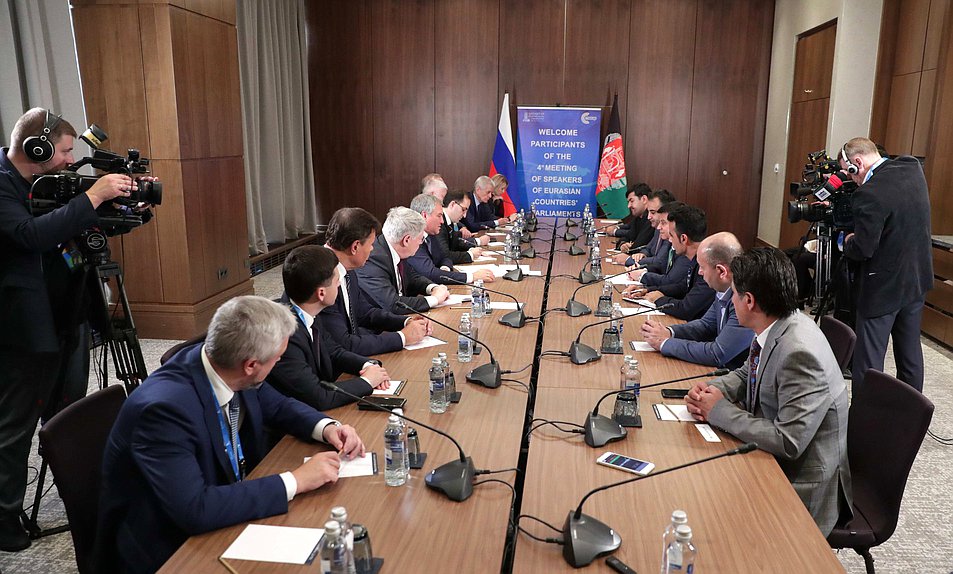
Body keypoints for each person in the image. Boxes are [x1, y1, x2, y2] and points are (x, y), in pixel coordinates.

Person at [95, 296, 366, 572]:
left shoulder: (224, 361)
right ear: (251, 365)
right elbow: (194, 509)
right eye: (278, 359)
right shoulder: (163, 411)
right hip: (168, 548)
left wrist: (329, 428)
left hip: (223, 504)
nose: (279, 363)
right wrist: (295, 481)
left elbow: (278, 405)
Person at [0, 108, 136, 551]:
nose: (67, 159)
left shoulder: (51, 183)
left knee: (68, 413)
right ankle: (4, 518)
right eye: (61, 151)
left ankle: (75, 491)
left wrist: (119, 210)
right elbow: (30, 236)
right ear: (35, 148)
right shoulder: (1, 182)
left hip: (71, 311)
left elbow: (74, 226)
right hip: (24, 328)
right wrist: (91, 198)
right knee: (16, 424)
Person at [684, 247, 852, 536]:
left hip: (800, 486)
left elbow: (789, 442)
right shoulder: (778, 323)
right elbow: (749, 372)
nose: (731, 300)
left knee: (704, 516)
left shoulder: (799, 352)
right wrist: (712, 389)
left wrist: (719, 410)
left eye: (734, 294)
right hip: (771, 459)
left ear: (749, 301)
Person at [840, 137, 933, 393]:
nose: (851, 181)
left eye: (848, 173)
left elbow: (863, 249)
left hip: (883, 287)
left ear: (856, 163)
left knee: (868, 361)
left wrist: (847, 241)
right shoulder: (911, 167)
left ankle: (864, 421)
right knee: (910, 352)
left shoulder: (869, 193)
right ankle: (910, 417)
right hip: (916, 279)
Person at [269, 246, 391, 410]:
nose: (340, 284)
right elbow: (318, 396)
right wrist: (367, 382)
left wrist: (368, 366)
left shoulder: (309, 309)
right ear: (321, 293)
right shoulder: (284, 335)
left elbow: (334, 351)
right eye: (336, 281)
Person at [322, 207, 430, 355]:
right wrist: (403, 337)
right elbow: (344, 344)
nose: (373, 249)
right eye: (371, 244)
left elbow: (365, 313)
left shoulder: (347, 270)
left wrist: (405, 322)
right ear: (355, 247)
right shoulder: (323, 278)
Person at [641, 232, 754, 369]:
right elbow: (705, 325)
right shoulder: (724, 289)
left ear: (721, 271)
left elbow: (717, 353)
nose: (699, 272)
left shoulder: (744, 300)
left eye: (702, 267)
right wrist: (669, 332)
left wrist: (664, 343)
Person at [627, 204, 714, 321]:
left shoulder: (708, 267)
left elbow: (686, 309)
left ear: (683, 239)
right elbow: (682, 286)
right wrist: (648, 290)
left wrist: (659, 299)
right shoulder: (695, 259)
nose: (669, 239)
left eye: (672, 235)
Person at [357, 206, 450, 313]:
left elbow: (412, 277)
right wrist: (435, 299)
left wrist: (432, 288)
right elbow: (393, 304)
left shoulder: (396, 250)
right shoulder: (373, 259)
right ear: (406, 240)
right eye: (421, 238)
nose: (421, 243)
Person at [407, 193, 495, 285]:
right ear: (424, 216)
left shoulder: (430, 235)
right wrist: (472, 276)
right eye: (439, 216)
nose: (442, 221)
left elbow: (445, 257)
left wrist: (445, 268)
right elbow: (430, 273)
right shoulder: (413, 239)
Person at [611, 188, 675, 266]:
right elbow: (648, 248)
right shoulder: (658, 229)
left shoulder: (670, 233)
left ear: (666, 212)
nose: (648, 217)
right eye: (648, 212)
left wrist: (628, 260)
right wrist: (642, 254)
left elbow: (659, 261)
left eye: (653, 212)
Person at [436, 189, 489, 264]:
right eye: (463, 210)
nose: (464, 216)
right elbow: (445, 255)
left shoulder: (449, 221)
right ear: (452, 205)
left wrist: (473, 250)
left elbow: (456, 244)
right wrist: (470, 255)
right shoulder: (439, 222)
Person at [610, 183, 654, 249]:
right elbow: (628, 236)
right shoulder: (638, 218)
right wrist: (623, 244)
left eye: (632, 201)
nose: (629, 206)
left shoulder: (651, 220)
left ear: (644, 199)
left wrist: (628, 247)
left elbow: (638, 246)